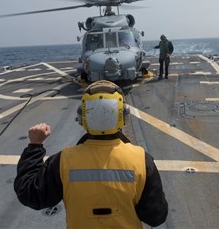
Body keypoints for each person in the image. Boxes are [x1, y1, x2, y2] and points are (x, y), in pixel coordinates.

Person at [14, 80, 168, 228]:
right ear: (123, 116)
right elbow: (156, 217)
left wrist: (35, 146)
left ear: (82, 119)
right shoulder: (141, 160)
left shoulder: (63, 161)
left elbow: (29, 194)